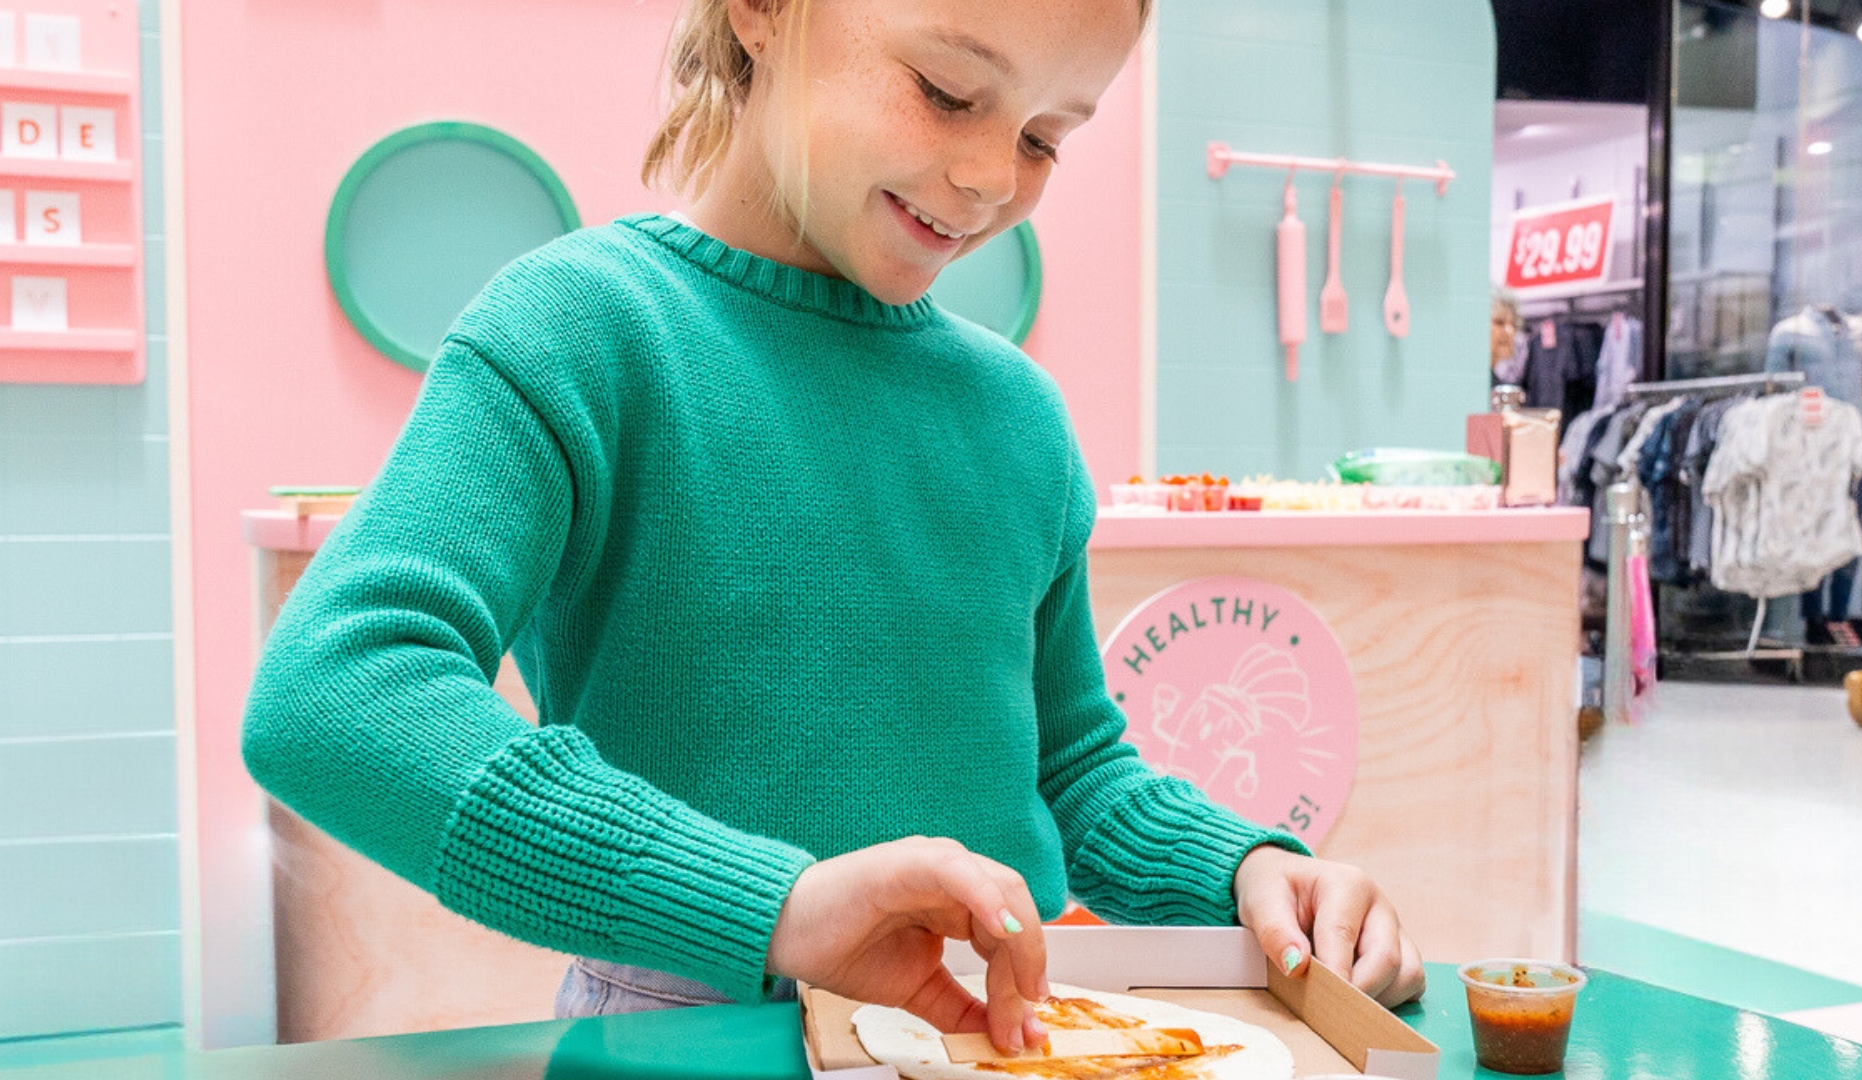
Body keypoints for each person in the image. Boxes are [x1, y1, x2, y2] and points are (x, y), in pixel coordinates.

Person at [242, 0, 1426, 1057]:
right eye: (949, 92)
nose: (987, 180)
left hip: (1001, 1030)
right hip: (694, 1032)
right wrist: (779, 906)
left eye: (1044, 137)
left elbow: (1072, 768)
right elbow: (336, 691)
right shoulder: (578, 330)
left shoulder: (1019, 416)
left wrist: (1246, 870)